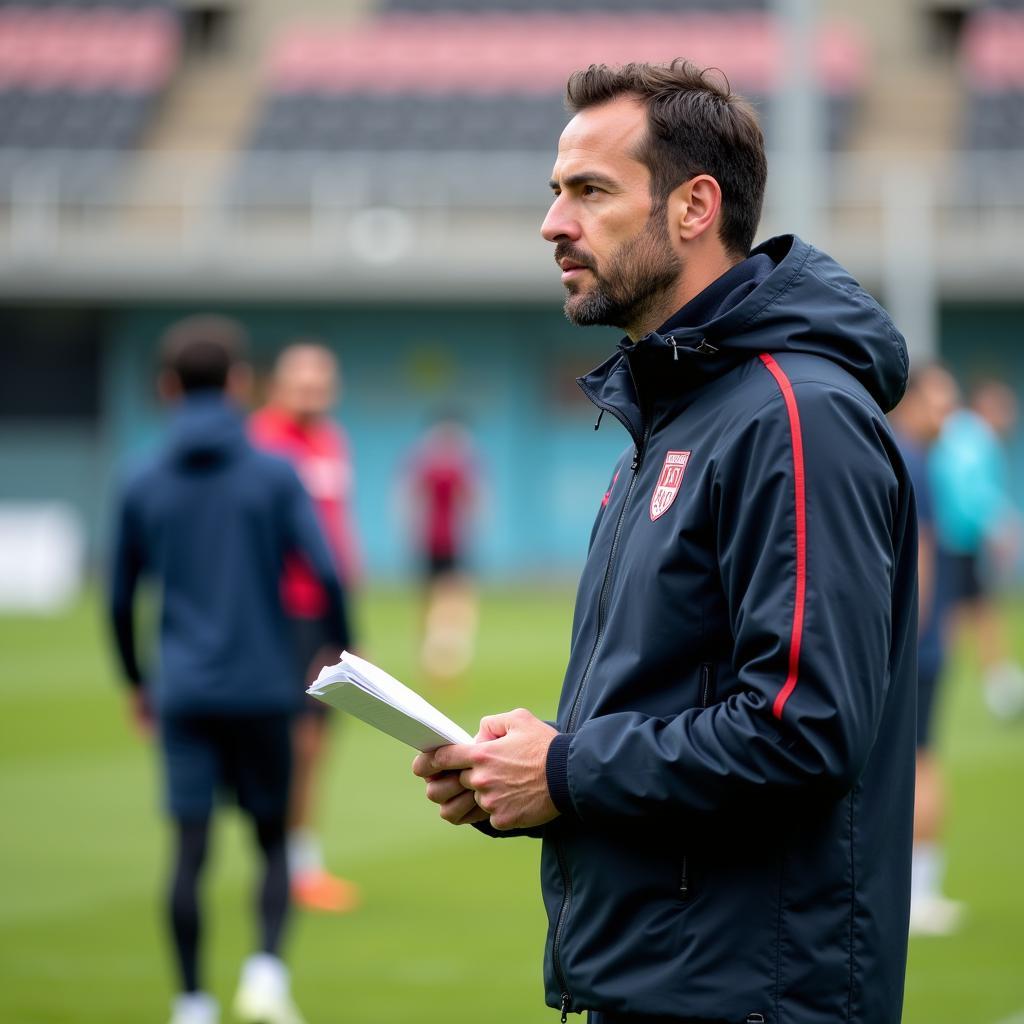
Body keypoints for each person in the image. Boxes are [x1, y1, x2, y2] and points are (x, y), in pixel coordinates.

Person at [413, 60, 918, 1024]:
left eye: (590, 190)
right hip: (658, 980)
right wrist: (526, 776)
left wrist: (565, 772)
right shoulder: (675, 418)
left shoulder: (795, 415)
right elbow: (663, 704)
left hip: (753, 997)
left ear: (694, 206)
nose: (554, 223)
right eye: (556, 192)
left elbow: (801, 732)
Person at [109, 316, 351, 1024]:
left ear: (165, 388)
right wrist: (340, 646)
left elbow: (121, 599)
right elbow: (326, 570)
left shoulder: (142, 477)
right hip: (263, 683)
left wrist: (135, 681)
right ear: (242, 384)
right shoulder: (274, 471)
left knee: (188, 849)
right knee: (273, 838)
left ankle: (191, 1001)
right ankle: (267, 973)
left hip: (182, 688)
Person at [250, 341, 362, 914]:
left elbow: (337, 530)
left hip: (326, 610)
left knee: (315, 742)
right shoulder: (262, 444)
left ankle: (297, 861)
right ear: (277, 386)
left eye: (321, 382)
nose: (312, 393)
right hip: (276, 613)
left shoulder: (330, 443)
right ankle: (288, 863)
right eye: (301, 383)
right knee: (291, 742)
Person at [889, 364, 964, 935]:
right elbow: (923, 553)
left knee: (918, 759)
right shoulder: (910, 457)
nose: (947, 414)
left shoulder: (912, 459)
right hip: (920, 640)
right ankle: (916, 890)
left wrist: (912, 634)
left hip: (916, 643)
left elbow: (926, 555)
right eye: (941, 402)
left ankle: (917, 890)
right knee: (918, 759)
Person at [930, 378, 1024, 720]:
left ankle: (995, 681)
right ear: (987, 407)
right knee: (956, 613)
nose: (1009, 416)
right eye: (1004, 408)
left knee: (980, 609)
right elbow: (968, 491)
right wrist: (997, 523)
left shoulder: (968, 435)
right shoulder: (974, 438)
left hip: (960, 540)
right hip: (955, 541)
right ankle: (939, 672)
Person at [403, 414, 479, 681]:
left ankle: (435, 658)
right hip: (444, 540)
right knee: (448, 601)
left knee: (434, 601)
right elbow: (472, 500)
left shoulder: (431, 464)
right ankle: (441, 657)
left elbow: (410, 497)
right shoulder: (452, 465)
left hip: (438, 539)